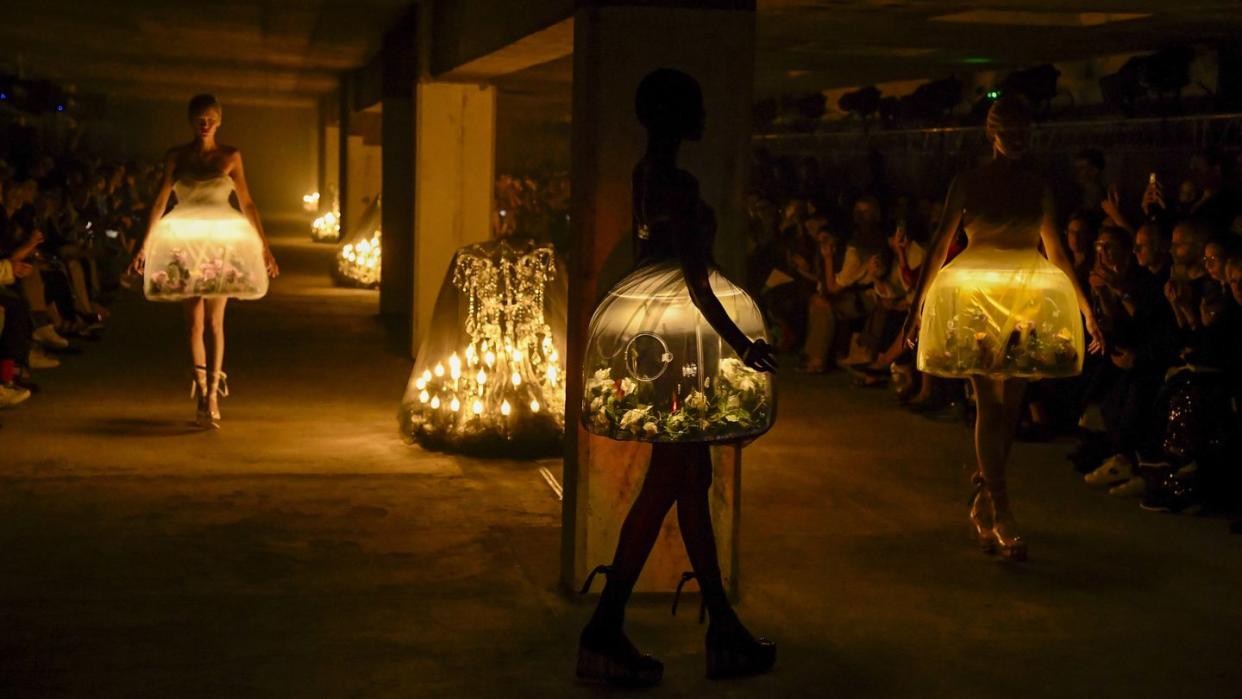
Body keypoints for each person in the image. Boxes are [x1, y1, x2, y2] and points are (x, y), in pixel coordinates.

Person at [576, 69, 777, 687]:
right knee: (674, 482)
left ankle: (719, 626)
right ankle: (612, 631)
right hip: (683, 342)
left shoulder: (645, 174)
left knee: (686, 482)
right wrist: (745, 346)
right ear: (677, 116)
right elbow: (695, 280)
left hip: (656, 335)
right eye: (697, 108)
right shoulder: (680, 184)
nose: (706, 119)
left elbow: (657, 263)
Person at [903, 97, 1104, 561]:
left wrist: (1086, 310)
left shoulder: (1037, 186)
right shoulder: (968, 183)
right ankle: (1003, 509)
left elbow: (1057, 252)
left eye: (1023, 133)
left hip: (1024, 299)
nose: (1016, 141)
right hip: (974, 298)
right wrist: (915, 310)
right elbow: (938, 248)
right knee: (988, 405)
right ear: (991, 134)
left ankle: (984, 498)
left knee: (1010, 407)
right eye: (1008, 132)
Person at [129, 94, 278, 428]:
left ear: (219, 121)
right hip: (183, 240)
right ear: (191, 121)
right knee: (193, 323)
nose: (205, 123)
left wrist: (264, 247)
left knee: (215, 322)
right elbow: (160, 201)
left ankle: (213, 393)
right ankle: (200, 393)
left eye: (210, 118)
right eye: (199, 118)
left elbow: (248, 203)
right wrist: (143, 246)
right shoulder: (176, 156)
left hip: (221, 242)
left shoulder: (231, 156)